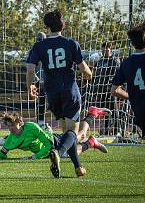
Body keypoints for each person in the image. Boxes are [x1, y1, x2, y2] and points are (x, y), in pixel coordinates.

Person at [25, 10, 93, 174]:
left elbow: (29, 69)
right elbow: (84, 69)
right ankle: (58, 153)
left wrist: (30, 87)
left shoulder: (39, 45)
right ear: (63, 24)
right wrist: (88, 74)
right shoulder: (71, 43)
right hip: (69, 90)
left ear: (46, 26)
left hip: (52, 92)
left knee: (66, 132)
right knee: (72, 132)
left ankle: (78, 167)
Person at [111, 23, 145, 193]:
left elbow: (114, 90)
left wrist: (132, 97)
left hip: (140, 112)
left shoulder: (126, 63)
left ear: (131, 42)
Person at [0, 112, 107, 178]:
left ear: (20, 123)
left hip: (53, 141)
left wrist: (34, 157)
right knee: (71, 151)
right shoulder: (10, 139)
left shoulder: (32, 127)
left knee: (78, 136)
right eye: (8, 127)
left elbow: (49, 146)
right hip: (47, 152)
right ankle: (91, 142)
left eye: (13, 125)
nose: (11, 129)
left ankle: (91, 115)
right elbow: (2, 155)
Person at [92, 41, 120, 134]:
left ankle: (117, 130)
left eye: (107, 50)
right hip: (100, 90)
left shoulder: (114, 61)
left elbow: (118, 75)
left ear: (110, 50)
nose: (105, 51)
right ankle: (106, 130)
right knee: (105, 111)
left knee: (114, 110)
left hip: (111, 89)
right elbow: (95, 74)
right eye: (103, 49)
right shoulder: (99, 61)